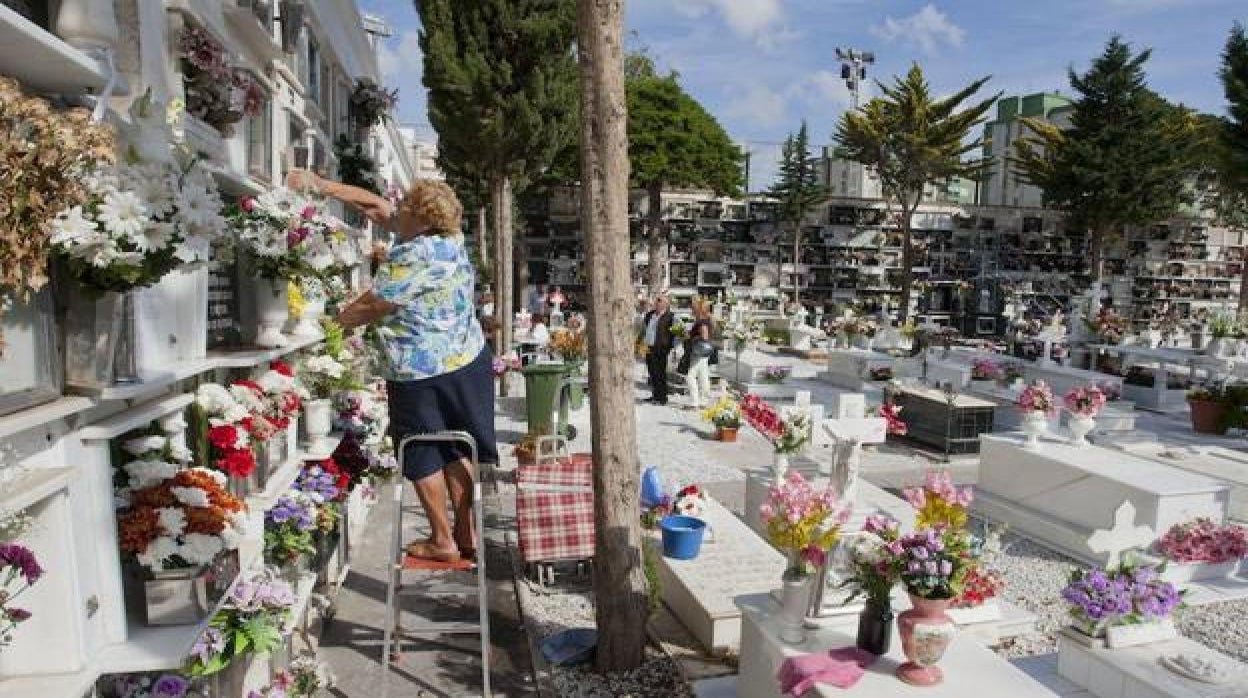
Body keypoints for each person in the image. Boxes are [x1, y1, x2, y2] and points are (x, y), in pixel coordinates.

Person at [287, 169, 495, 563]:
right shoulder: (449, 239)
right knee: (458, 444)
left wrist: (329, 326)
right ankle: (465, 532)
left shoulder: (413, 255)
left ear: (420, 218)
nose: (397, 210)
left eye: (406, 207)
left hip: (420, 369)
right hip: (469, 362)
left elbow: (375, 303)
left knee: (421, 448)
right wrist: (322, 186)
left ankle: (442, 540)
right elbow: (377, 208)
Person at [639, 296, 675, 405]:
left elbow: (675, 333)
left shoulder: (670, 316)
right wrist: (641, 346)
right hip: (648, 347)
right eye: (657, 301)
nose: (657, 303)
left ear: (666, 304)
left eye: (660, 301)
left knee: (660, 373)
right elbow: (644, 330)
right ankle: (655, 395)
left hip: (661, 348)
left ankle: (662, 398)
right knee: (652, 372)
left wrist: (670, 347)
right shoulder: (649, 315)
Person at [685, 300, 716, 408]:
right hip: (704, 352)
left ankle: (694, 402)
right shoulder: (706, 320)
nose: (691, 310)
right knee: (703, 376)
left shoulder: (702, 322)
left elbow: (704, 336)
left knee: (690, 377)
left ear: (699, 310)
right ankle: (703, 401)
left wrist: (691, 337)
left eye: (693, 308)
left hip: (698, 352)